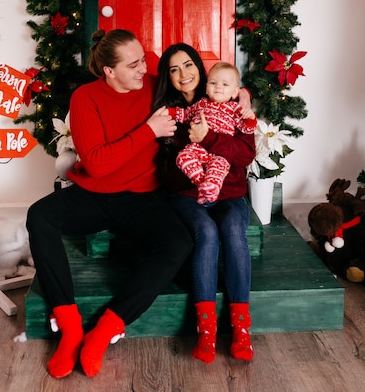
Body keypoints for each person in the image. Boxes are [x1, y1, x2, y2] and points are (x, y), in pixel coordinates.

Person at [26, 29, 193, 379]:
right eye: (133, 65)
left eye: (143, 60)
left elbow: (199, 87)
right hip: (94, 195)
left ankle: (107, 327)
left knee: (179, 242)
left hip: (142, 198)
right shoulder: (86, 98)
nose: (143, 69)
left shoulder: (153, 85)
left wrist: (241, 96)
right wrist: (148, 130)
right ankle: (70, 326)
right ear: (109, 71)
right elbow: (98, 163)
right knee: (40, 216)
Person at [154, 43, 256, 363]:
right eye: (174, 69)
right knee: (206, 233)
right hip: (187, 197)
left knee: (233, 228)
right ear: (168, 78)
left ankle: (241, 329)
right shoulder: (170, 113)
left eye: (188, 65)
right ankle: (206, 331)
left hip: (230, 195)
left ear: (202, 69)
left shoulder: (230, 102)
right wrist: (195, 163)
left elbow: (245, 155)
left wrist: (210, 138)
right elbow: (168, 173)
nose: (183, 74)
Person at [168, 61, 257, 204]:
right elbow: (185, 114)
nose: (218, 87)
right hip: (197, 152)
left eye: (225, 85)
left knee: (217, 168)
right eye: (213, 83)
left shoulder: (235, 108)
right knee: (183, 157)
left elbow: (246, 129)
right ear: (206, 87)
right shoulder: (200, 105)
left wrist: (250, 119)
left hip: (219, 155)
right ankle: (204, 185)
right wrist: (169, 112)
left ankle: (210, 187)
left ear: (234, 92)